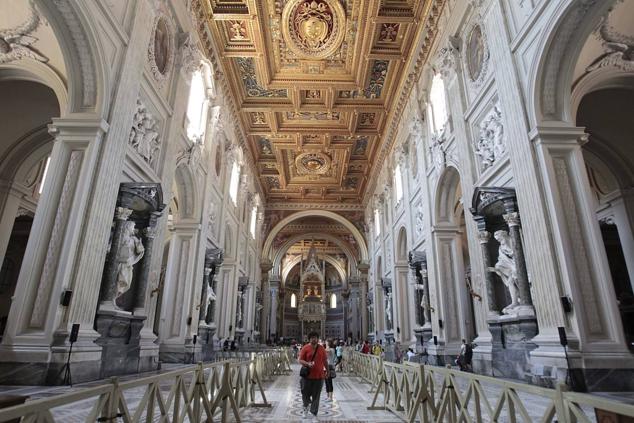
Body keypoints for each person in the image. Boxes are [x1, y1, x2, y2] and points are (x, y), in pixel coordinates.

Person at [298, 331, 328, 418]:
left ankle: (314, 413)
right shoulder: (305, 348)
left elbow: (325, 360)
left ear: (317, 339)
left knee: (316, 395)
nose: (313, 339)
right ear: (309, 339)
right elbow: (300, 360)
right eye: (311, 338)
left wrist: (328, 371)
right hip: (307, 376)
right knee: (305, 394)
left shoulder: (321, 348)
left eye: (315, 338)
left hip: (319, 376)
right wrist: (307, 364)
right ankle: (305, 408)